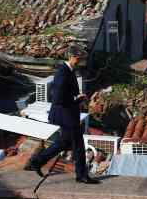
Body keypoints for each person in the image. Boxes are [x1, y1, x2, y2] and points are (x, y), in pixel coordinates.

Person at [28, 45, 99, 184]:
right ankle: (81, 175)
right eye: (80, 59)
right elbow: (58, 98)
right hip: (65, 114)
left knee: (63, 142)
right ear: (73, 57)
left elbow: (65, 93)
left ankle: (36, 161)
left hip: (66, 114)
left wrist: (77, 97)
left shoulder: (69, 70)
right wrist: (77, 99)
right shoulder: (63, 72)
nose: (81, 61)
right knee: (78, 145)